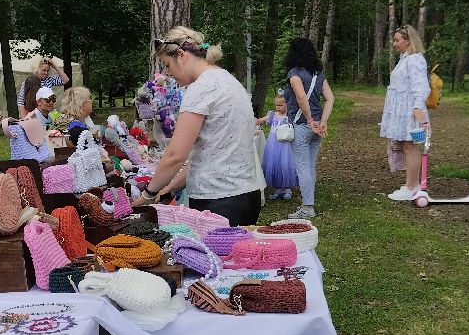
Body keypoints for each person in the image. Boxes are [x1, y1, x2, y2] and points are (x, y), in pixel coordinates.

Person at [132, 27, 263, 224]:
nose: (169, 73)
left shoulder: (201, 88)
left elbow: (176, 155)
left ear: (182, 55)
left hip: (218, 200)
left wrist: (149, 193)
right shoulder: (227, 79)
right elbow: (211, 153)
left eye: (168, 65)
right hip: (244, 193)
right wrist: (173, 186)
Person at [283, 36, 335, 219]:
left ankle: (307, 207)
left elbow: (300, 97)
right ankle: (308, 202)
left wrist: (309, 119)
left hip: (302, 125)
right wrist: (323, 121)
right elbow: (330, 98)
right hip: (317, 128)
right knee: (310, 166)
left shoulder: (294, 74)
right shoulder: (318, 75)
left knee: (303, 167)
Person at [380, 25, 430, 201]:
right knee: (405, 146)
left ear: (408, 40)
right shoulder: (405, 59)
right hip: (402, 110)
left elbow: (421, 85)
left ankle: (412, 186)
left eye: (397, 40)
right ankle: (411, 184)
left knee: (410, 146)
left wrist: (417, 107)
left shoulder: (415, 59)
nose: (394, 43)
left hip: (410, 111)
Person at [255, 90, 298, 201]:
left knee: (285, 164)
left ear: (287, 104)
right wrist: (252, 121)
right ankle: (277, 188)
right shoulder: (272, 115)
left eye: (280, 105)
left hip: (285, 146)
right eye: (276, 105)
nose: (278, 107)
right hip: (273, 145)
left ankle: (287, 188)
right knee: (275, 164)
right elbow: (261, 121)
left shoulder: (290, 116)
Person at [1, 85, 56, 162]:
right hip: (38, 157)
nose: (51, 102)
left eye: (53, 100)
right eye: (47, 100)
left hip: (50, 153)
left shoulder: (51, 116)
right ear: (38, 102)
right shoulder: (32, 117)